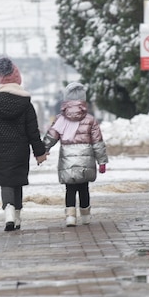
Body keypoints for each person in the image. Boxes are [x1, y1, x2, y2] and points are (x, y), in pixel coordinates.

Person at [0, 56, 47, 232]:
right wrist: (39, 152)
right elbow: (33, 131)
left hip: (0, 149)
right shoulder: (25, 103)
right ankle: (17, 216)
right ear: (17, 79)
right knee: (17, 181)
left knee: (6, 181)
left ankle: (9, 211)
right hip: (19, 149)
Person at [43, 82, 108, 227]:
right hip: (86, 161)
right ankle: (85, 217)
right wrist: (102, 161)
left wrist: (43, 150)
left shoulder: (61, 119)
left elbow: (51, 137)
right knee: (84, 188)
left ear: (66, 100)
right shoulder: (90, 120)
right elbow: (98, 142)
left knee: (70, 189)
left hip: (67, 162)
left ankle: (70, 217)